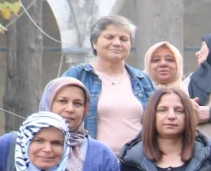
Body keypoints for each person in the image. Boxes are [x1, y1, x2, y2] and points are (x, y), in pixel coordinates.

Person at [62, 15, 157, 155]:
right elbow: (54, 114)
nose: (117, 43)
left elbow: (155, 120)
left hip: (137, 164)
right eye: (109, 37)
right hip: (91, 161)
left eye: (124, 39)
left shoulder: (142, 79)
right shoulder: (78, 76)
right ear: (94, 43)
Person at [119, 87, 209, 171]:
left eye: (179, 110)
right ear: (151, 115)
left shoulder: (208, 156)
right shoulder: (130, 159)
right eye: (162, 110)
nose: (171, 116)